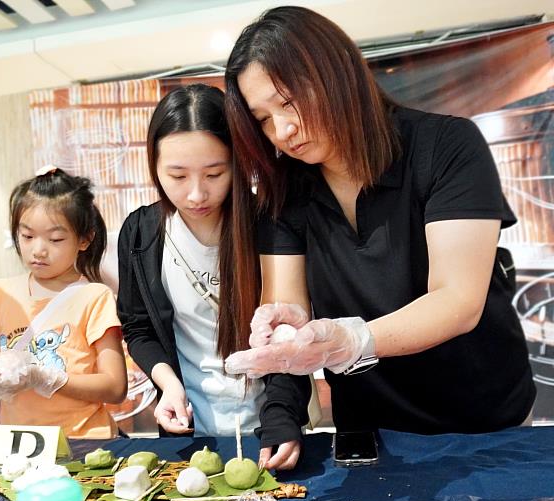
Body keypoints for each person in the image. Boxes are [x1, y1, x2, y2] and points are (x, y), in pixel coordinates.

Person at [222, 6, 536, 436]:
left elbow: (458, 301)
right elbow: (286, 307)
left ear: (338, 72)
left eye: (288, 103)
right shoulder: (285, 191)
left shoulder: (445, 147)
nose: (283, 130)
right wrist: (281, 367)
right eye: (263, 119)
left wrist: (354, 341)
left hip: (483, 416)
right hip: (368, 424)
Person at [116, 84, 310, 470]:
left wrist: (282, 416)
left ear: (237, 162)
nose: (195, 194)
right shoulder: (140, 234)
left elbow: (291, 331)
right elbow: (138, 328)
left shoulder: (270, 223)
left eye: (214, 173)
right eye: (177, 175)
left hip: (269, 427)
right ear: (154, 165)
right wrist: (168, 385)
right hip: (188, 436)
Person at [0, 167, 127, 438]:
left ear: (84, 239)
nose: (38, 250)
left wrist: (45, 378)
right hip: (18, 445)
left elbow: (114, 387)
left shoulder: (94, 297)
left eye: (55, 239)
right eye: (27, 236)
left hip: (82, 441)